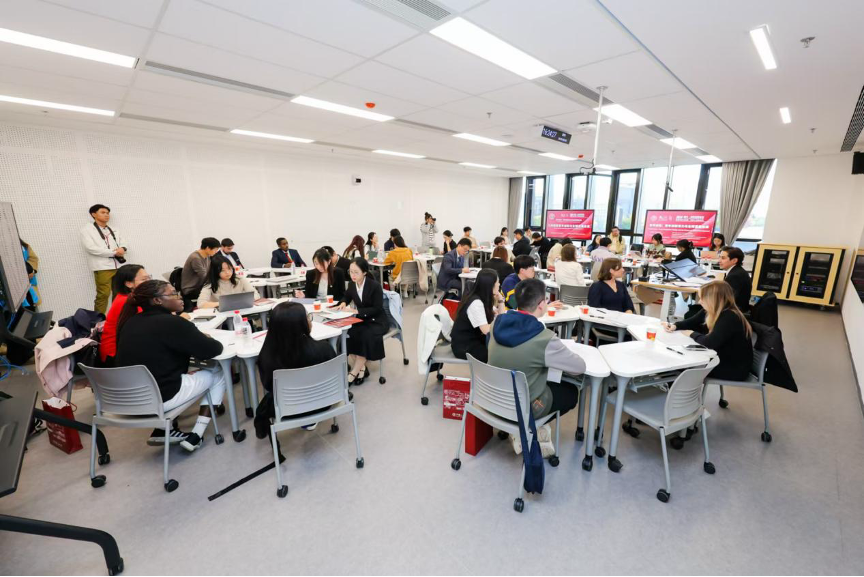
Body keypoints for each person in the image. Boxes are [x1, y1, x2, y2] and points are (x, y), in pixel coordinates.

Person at [116, 280, 226, 451]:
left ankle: (162, 431)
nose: (179, 297)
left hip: (125, 400)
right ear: (157, 300)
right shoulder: (172, 323)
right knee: (217, 371)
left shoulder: (130, 323)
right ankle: (196, 435)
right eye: (173, 293)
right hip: (158, 398)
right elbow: (213, 350)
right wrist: (206, 338)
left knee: (182, 374)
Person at [488, 278, 585, 454]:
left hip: (493, 398)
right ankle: (528, 427)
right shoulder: (544, 338)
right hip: (524, 407)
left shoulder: (497, 323)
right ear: (541, 305)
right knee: (570, 392)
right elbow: (579, 367)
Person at [255, 302, 338, 434]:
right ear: (302, 324)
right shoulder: (324, 349)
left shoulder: (268, 358)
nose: (309, 320)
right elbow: (334, 378)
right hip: (324, 403)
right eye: (307, 317)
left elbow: (268, 386)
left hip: (287, 411)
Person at [663, 281, 753, 381]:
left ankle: (676, 390)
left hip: (733, 368)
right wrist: (675, 326)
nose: (699, 302)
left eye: (702, 298)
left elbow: (709, 342)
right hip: (720, 358)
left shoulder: (729, 317)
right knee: (676, 361)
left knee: (677, 366)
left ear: (713, 300)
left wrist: (691, 333)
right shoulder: (713, 309)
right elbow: (691, 322)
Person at [333, 258, 388, 385]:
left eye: (356, 272)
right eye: (350, 272)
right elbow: (346, 296)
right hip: (362, 319)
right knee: (348, 334)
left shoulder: (374, 286)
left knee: (364, 336)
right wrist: (343, 303)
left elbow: (377, 308)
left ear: (364, 272)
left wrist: (356, 311)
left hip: (377, 321)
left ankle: (353, 373)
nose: (352, 275)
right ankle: (362, 369)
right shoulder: (352, 285)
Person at [80, 204, 128, 314]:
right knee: (103, 294)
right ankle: (98, 320)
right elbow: (90, 248)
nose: (106, 215)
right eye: (103, 212)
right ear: (93, 214)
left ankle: (117, 317)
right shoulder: (87, 230)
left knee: (119, 293)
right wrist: (114, 252)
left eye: (107, 213)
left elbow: (123, 242)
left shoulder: (114, 229)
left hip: (118, 265)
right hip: (102, 267)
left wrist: (123, 248)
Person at [99, 264, 151, 366]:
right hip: (115, 356)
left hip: (123, 350)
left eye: (149, 278)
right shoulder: (127, 301)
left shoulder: (127, 297)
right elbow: (148, 325)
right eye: (144, 279)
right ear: (129, 283)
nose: (149, 282)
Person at [451, 269, 504, 363]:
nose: (499, 284)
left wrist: (500, 299)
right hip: (464, 345)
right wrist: (499, 323)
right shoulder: (476, 303)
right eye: (497, 282)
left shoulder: (482, 296)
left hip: (475, 339)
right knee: (498, 356)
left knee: (500, 349)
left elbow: (501, 316)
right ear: (490, 286)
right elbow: (486, 330)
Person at [181, 237, 221, 312]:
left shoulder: (207, 256)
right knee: (217, 291)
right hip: (191, 289)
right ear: (208, 248)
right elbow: (205, 276)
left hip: (201, 285)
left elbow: (209, 273)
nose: (216, 252)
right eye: (215, 249)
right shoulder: (195, 258)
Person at [718, 246, 751, 313]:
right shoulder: (737, 271)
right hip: (736, 309)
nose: (719, 261)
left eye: (723, 258)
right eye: (719, 257)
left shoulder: (735, 276)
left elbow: (726, 301)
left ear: (734, 260)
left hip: (734, 312)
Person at [20, 239, 40, 308]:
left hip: (28, 284)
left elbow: (34, 259)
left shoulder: (24, 246)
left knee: (30, 306)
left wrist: (32, 271)